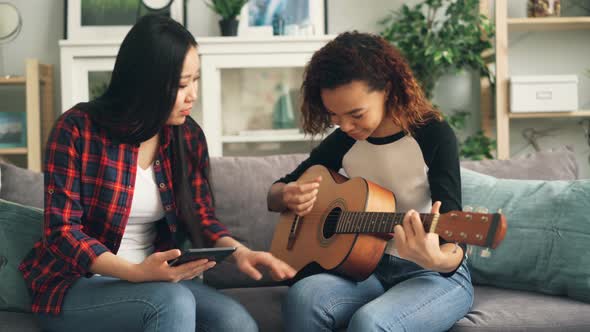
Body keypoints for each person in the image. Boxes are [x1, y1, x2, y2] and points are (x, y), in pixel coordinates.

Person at [19, 14, 295, 332]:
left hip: (156, 278)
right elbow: (63, 232)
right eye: (181, 85)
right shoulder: (77, 129)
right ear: (145, 82)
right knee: (172, 302)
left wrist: (240, 253)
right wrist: (136, 272)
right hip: (75, 284)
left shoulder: (187, 135)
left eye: (196, 80)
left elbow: (201, 218)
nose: (193, 94)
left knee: (236, 324)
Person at [267, 31, 473, 331]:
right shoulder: (343, 141)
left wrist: (437, 259)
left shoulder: (432, 133)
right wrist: (286, 195)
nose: (346, 126)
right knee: (303, 297)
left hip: (434, 275)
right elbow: (275, 192)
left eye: (356, 114)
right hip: (367, 271)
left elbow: (455, 239)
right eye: (335, 117)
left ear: (388, 89)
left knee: (370, 322)